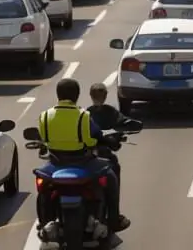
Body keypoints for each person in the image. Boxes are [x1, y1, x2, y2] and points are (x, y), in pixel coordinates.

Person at [36, 79, 127, 234]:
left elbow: (43, 139)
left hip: (55, 164)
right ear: (77, 96)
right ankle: (113, 219)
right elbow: (92, 139)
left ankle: (44, 221)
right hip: (82, 162)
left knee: (42, 187)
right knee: (111, 176)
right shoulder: (83, 116)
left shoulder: (44, 116)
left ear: (58, 94)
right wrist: (108, 140)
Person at [85, 82, 133, 231]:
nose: (99, 98)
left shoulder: (86, 114)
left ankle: (113, 217)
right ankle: (113, 218)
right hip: (92, 158)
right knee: (113, 173)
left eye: (100, 95)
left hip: (86, 158)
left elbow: (123, 122)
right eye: (97, 95)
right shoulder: (87, 115)